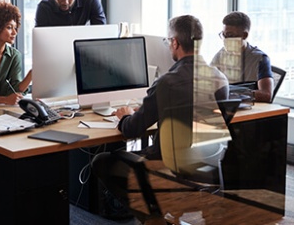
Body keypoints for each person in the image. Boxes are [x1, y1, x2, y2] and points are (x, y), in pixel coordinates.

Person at [91, 15, 229, 223]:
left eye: (167, 41)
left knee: (101, 161)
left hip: (167, 172)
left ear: (175, 42)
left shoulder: (168, 82)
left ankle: (153, 218)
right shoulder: (220, 78)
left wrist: (125, 115)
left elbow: (131, 130)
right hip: (207, 171)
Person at [211, 11, 273, 103]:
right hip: (227, 107)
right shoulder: (221, 54)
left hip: (249, 109)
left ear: (244, 35)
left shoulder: (259, 59)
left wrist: (235, 93)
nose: (225, 40)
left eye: (230, 35)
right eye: (223, 35)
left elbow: (267, 95)